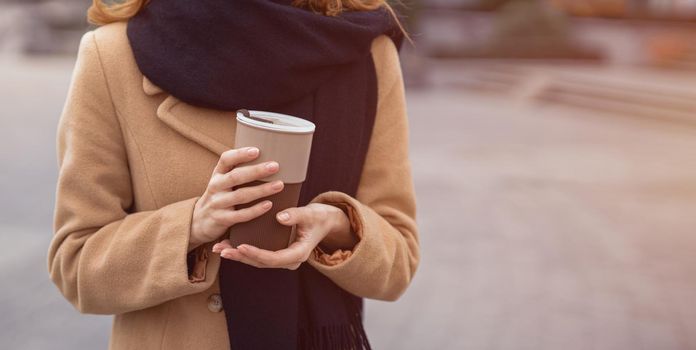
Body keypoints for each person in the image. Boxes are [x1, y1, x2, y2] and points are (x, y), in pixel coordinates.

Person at [47, 0, 420, 349]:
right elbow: (77, 266)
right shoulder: (113, 55)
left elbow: (399, 262)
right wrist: (191, 226)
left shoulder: (366, 53)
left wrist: (337, 225)